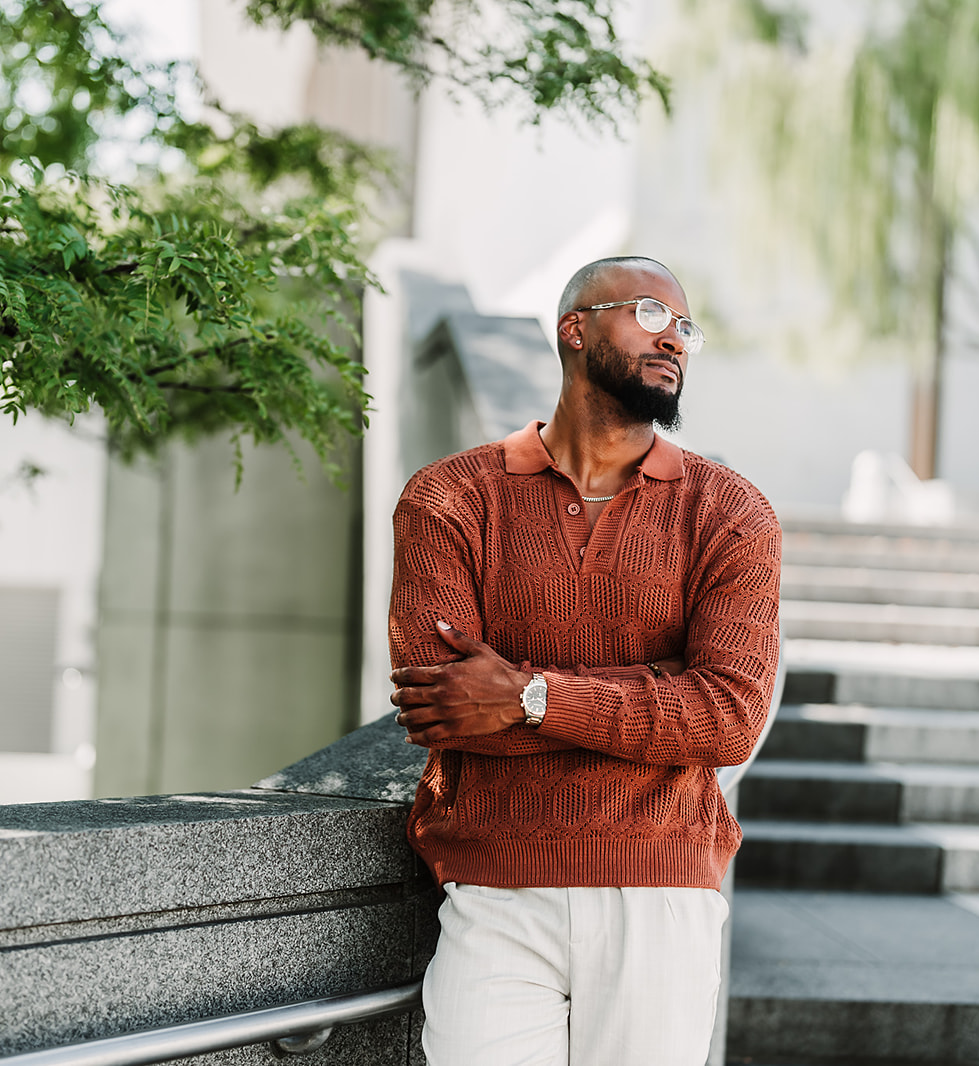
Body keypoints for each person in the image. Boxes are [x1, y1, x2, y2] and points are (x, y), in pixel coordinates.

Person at [387, 256, 782, 1065]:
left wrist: (526, 693)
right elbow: (444, 708)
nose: (674, 338)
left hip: (662, 891)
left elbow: (729, 717)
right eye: (649, 313)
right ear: (574, 328)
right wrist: (658, 693)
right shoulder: (450, 499)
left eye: (686, 328)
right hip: (495, 891)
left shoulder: (729, 511)